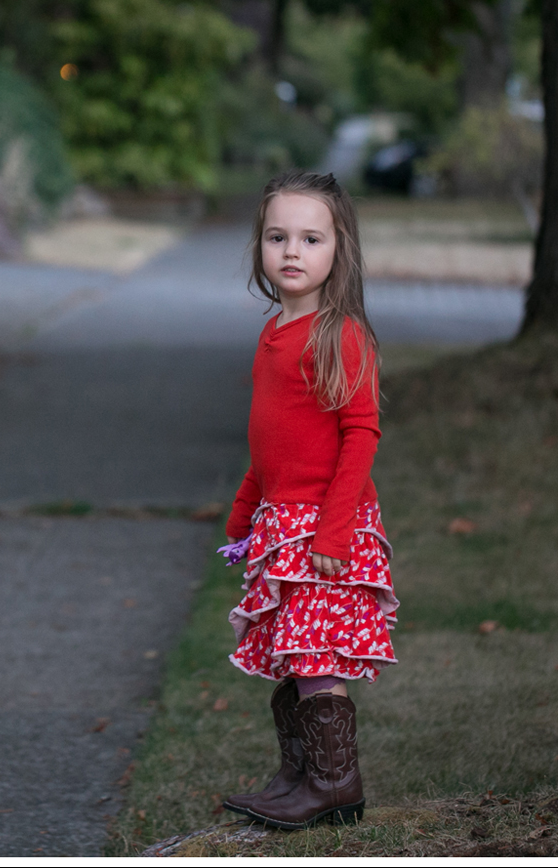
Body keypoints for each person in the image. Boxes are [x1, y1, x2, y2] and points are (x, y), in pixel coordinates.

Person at [217, 169, 399, 831]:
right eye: (277, 236)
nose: (292, 251)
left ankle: (334, 784)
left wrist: (334, 531)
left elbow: (361, 433)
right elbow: (269, 444)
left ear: (338, 249)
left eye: (310, 238)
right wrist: (244, 517)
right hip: (281, 522)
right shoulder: (273, 332)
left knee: (316, 656)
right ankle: (299, 777)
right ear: (260, 247)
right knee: (294, 656)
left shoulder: (339, 334)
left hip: (324, 529)